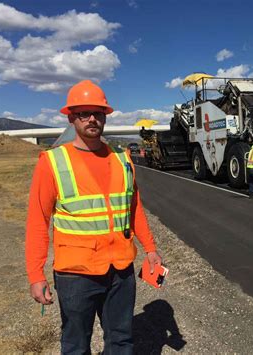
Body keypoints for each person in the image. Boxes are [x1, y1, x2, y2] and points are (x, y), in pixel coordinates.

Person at [25, 80, 162, 354]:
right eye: (83, 113)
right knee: (76, 344)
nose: (91, 119)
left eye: (98, 113)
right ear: (71, 117)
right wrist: (35, 274)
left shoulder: (122, 159)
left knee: (121, 340)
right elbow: (38, 222)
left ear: (105, 116)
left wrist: (150, 248)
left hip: (121, 270)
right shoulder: (52, 162)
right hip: (76, 274)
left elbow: (134, 209)